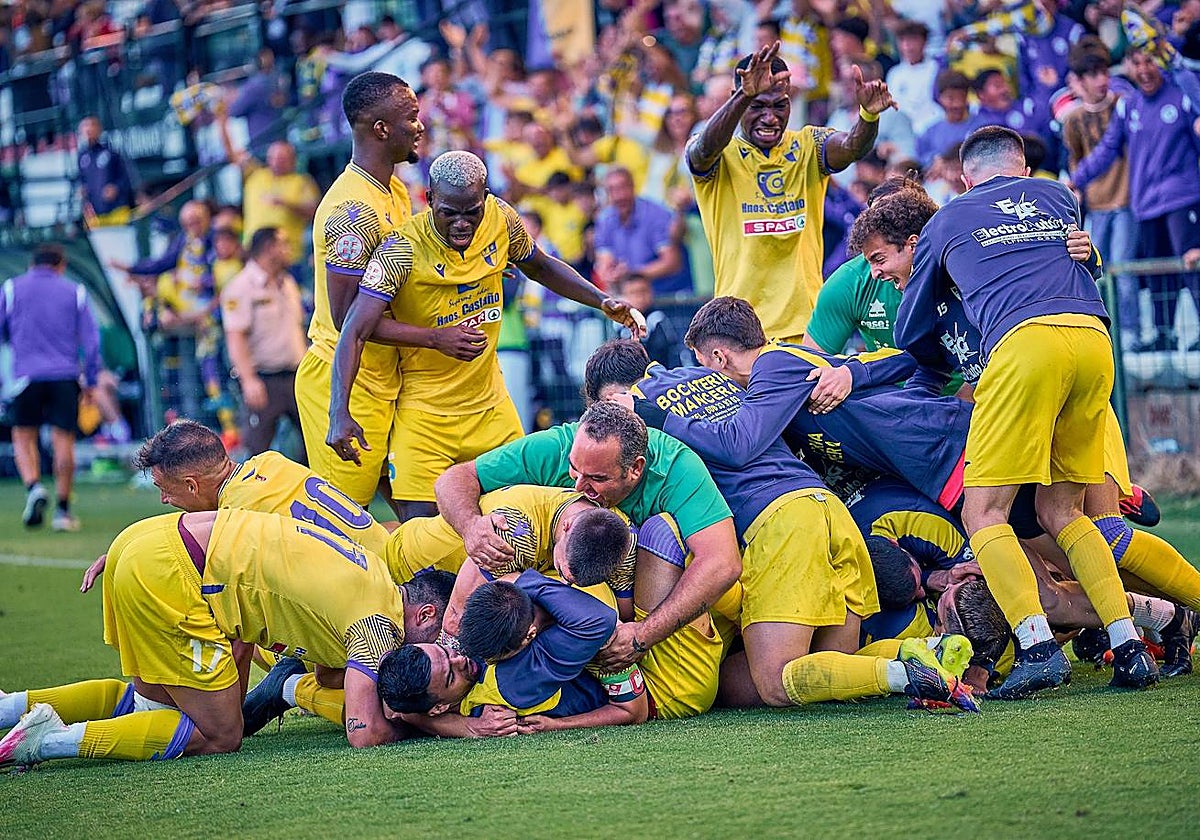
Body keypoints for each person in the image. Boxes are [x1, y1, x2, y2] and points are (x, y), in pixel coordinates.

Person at [894, 126, 1157, 698]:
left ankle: (1037, 647)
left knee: (984, 512)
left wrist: (943, 361)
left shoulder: (947, 218)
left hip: (1022, 346)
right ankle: (1129, 646)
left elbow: (910, 327)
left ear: (966, 179)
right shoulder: (1060, 196)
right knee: (1065, 510)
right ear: (1024, 170)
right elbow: (1086, 260)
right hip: (1093, 341)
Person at [327, 150, 645, 521]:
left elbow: (540, 265)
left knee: (526, 517)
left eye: (471, 212)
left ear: (486, 198)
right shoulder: (401, 250)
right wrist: (340, 411)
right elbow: (353, 328)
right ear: (430, 201)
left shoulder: (502, 219)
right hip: (425, 414)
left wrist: (602, 300)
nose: (462, 223)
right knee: (423, 534)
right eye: (449, 213)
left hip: (491, 406)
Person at [0, 506, 448, 768]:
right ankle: (47, 741)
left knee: (150, 704)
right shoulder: (377, 623)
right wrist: (445, 726)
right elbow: (364, 732)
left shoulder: (369, 569)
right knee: (221, 734)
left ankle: (8, 708)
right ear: (425, 614)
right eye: (439, 641)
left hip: (151, 537)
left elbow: (334, 676)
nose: (435, 653)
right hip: (170, 572)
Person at [433, 400, 741, 720]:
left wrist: (641, 635)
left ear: (635, 468)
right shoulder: (592, 622)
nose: (579, 486)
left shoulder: (676, 469)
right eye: (573, 469)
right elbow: (453, 480)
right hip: (647, 670)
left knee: (659, 534)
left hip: (660, 659)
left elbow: (724, 563)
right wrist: (472, 528)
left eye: (595, 477)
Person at [686, 41, 897, 343]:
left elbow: (852, 146)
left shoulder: (809, 145)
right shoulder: (720, 152)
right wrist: (744, 94)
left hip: (808, 327)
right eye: (757, 106)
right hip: (740, 333)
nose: (770, 117)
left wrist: (868, 116)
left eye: (779, 105)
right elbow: (702, 151)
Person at [293, 71, 423, 507]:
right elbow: (347, 320)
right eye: (412, 116)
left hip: (387, 378)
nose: (420, 126)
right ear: (381, 129)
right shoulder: (352, 211)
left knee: (415, 504)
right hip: (347, 384)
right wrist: (438, 339)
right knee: (342, 524)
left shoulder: (396, 189)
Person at [78, 420, 393, 594]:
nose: (164, 501)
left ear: (191, 484)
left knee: (230, 606)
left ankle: (288, 686)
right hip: (400, 574)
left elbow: (189, 541)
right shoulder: (271, 462)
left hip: (373, 606)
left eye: (165, 490)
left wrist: (125, 555)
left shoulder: (237, 522)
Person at [378, 571, 648, 735]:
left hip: (612, 657)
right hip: (653, 679)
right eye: (450, 675)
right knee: (659, 532)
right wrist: (520, 583)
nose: (460, 658)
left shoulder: (454, 680)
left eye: (443, 651)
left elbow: (396, 711)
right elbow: (597, 621)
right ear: (439, 707)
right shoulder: (509, 683)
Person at [1069, 42, 1200, 352]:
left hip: (1184, 200)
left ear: (1162, 64)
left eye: (1150, 62)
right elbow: (1106, 150)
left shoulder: (1182, 95)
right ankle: (1164, 335)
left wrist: (1180, 70)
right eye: (1136, 63)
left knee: (1192, 268)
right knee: (1155, 275)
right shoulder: (1129, 106)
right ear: (1127, 67)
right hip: (1146, 205)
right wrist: (1074, 179)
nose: (1144, 70)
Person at [0, 244, 100, 532]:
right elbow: (91, 343)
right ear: (61, 265)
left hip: (24, 376)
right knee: (63, 441)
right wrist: (91, 381)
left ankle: (33, 486)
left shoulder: (10, 289)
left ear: (32, 265)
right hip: (65, 375)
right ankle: (64, 510)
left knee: (23, 436)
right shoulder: (75, 291)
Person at [220, 228, 308, 458]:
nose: (289, 249)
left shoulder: (287, 282)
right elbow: (235, 336)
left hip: (296, 375)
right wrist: (248, 379)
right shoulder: (241, 287)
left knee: (315, 442)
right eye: (284, 244)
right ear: (269, 248)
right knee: (256, 451)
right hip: (263, 379)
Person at [217, 113, 320, 269]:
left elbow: (315, 212)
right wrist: (221, 119)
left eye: (283, 158)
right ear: (268, 158)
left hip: (287, 258)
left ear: (293, 160)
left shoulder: (302, 182)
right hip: (253, 255)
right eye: (274, 157)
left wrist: (286, 204)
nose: (278, 162)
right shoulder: (255, 175)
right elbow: (232, 155)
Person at [593, 167, 688, 297]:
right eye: (612, 190)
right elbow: (604, 261)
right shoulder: (605, 218)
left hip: (667, 295)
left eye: (622, 187)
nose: (618, 195)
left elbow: (672, 263)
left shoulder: (656, 214)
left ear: (633, 187)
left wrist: (633, 275)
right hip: (630, 294)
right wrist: (610, 274)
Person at [76, 115, 137, 226]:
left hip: (116, 211)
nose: (89, 129)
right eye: (85, 126)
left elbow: (127, 178)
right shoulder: (82, 157)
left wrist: (116, 188)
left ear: (100, 129)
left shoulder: (111, 153)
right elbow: (82, 181)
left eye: (92, 125)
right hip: (95, 215)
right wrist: (81, 190)